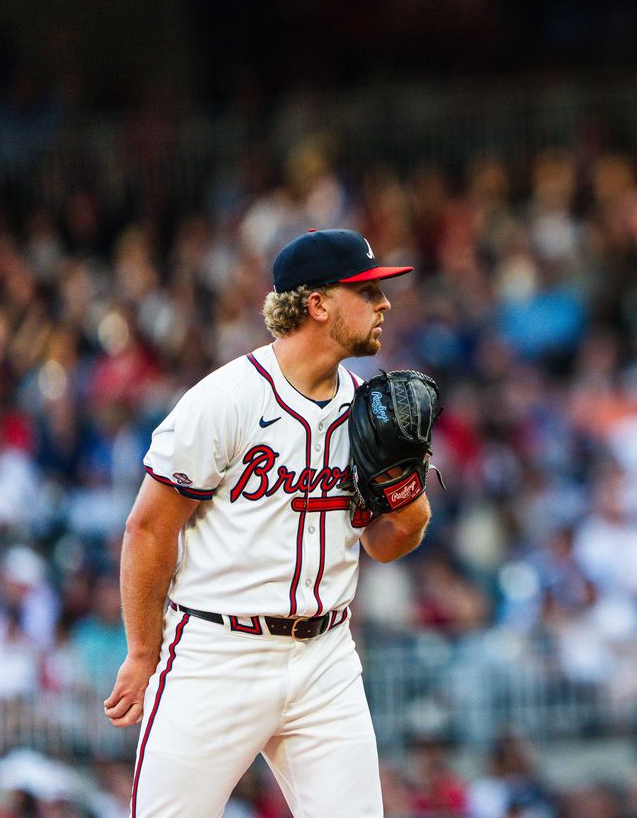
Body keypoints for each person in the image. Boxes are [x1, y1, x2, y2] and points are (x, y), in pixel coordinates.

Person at [102, 229, 434, 817]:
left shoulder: (369, 410)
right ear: (318, 303)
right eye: (367, 291)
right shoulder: (226, 399)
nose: (384, 303)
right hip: (217, 652)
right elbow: (148, 528)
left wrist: (408, 498)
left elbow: (386, 544)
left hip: (326, 656)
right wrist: (141, 652)